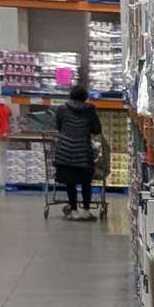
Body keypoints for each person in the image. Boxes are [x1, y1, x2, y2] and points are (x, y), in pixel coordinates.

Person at [53, 82, 102, 219]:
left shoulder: (62, 109)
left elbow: (59, 127)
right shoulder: (90, 109)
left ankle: (74, 211)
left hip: (65, 153)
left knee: (70, 183)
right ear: (85, 97)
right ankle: (86, 211)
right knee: (86, 183)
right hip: (83, 153)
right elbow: (97, 129)